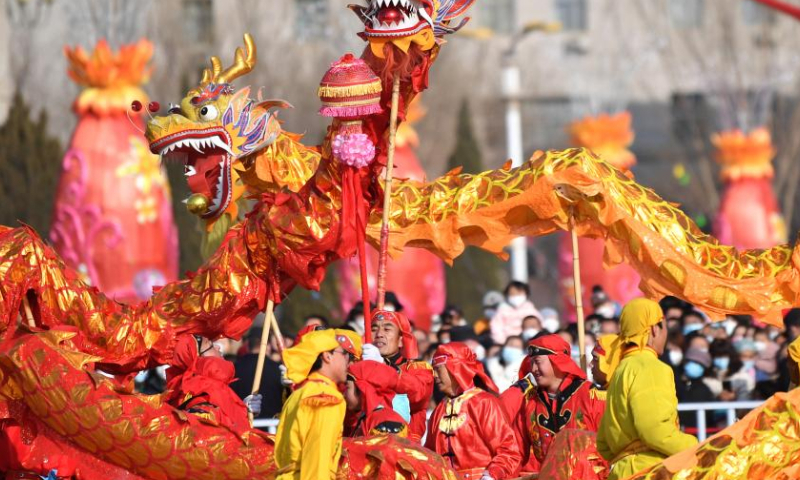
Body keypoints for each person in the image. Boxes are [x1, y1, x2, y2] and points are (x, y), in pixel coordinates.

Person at [597, 298, 697, 480]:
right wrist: (696, 446)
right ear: (653, 329)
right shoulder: (651, 367)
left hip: (621, 472)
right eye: (664, 327)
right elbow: (655, 431)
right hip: (650, 472)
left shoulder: (620, 370)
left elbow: (603, 443)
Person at [501, 334, 605, 475]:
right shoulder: (529, 402)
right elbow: (515, 452)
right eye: (531, 363)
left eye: (538, 362)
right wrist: (494, 475)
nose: (533, 369)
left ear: (557, 361)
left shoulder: (591, 395)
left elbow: (608, 445)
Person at [274, 329, 361, 480]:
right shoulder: (326, 398)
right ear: (327, 356)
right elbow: (317, 458)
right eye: (344, 353)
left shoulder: (298, 394)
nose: (348, 359)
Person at [426, 343, 521, 479]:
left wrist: (492, 475)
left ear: (455, 368)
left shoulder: (484, 403)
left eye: (438, 369)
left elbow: (509, 451)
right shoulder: (439, 411)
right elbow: (429, 457)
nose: (434, 375)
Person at [165, 334, 261, 437]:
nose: (218, 346)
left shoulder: (211, 388)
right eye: (210, 345)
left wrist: (242, 410)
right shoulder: (199, 402)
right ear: (197, 358)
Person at [365, 309, 434, 443]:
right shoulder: (360, 366)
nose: (379, 334)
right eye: (374, 329)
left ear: (401, 340)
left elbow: (418, 394)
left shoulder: (418, 368)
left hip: (404, 448)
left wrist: (383, 368)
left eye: (387, 329)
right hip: (364, 444)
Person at [344, 360, 408, 437]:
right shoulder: (369, 418)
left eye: (347, 387)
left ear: (362, 389)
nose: (343, 394)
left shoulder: (385, 420)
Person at [231, 327, 284, 418]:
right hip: (271, 426)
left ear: (248, 345)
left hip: (242, 426)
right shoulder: (278, 369)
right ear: (268, 345)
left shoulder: (234, 368)